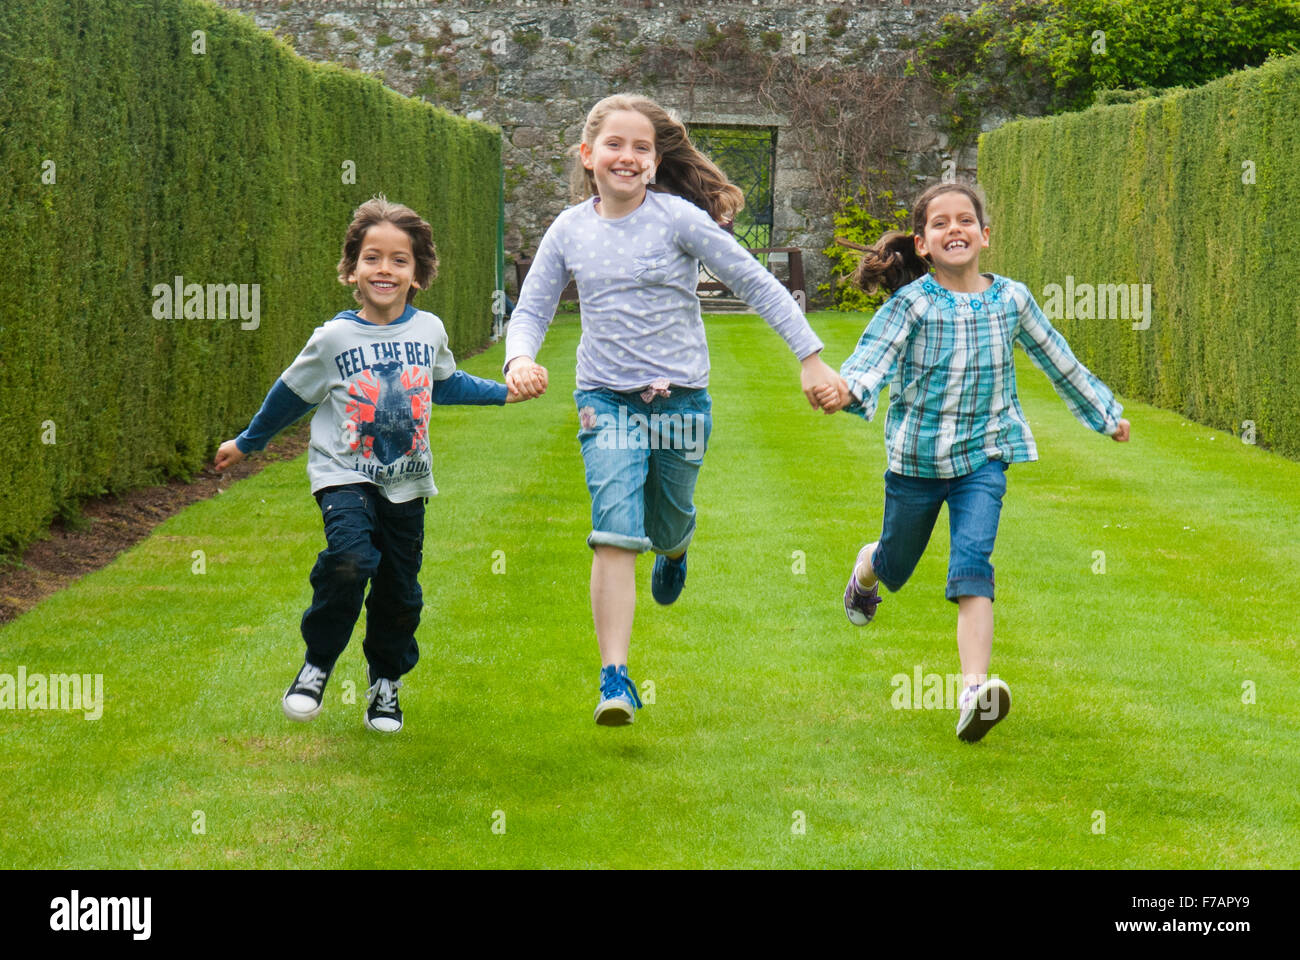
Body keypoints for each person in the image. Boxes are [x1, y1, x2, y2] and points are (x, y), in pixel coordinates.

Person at [503, 93, 847, 726]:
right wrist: (518, 358)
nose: (627, 157)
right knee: (614, 530)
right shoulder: (568, 229)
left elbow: (755, 281)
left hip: (682, 403)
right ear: (588, 156)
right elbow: (531, 308)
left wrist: (810, 356)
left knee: (667, 522)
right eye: (614, 145)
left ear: (656, 163)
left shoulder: (679, 220)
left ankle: (677, 550)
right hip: (604, 401)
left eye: (641, 148)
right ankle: (615, 677)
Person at [214, 196, 546, 734]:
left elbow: (446, 384)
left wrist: (503, 393)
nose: (384, 269)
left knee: (400, 592)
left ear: (418, 273)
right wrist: (248, 442)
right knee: (350, 558)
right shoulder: (333, 339)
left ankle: (384, 684)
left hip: (407, 482)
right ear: (351, 269)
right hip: (343, 473)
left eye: (398, 260)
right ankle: (317, 664)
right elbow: (290, 396)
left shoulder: (429, 331)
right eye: (372, 258)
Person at [835, 182, 1130, 742]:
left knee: (973, 564)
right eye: (941, 224)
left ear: (985, 235)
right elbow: (872, 360)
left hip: (984, 458)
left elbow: (1057, 358)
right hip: (917, 462)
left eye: (965, 220)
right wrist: (849, 391)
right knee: (896, 564)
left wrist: (1104, 413)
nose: (955, 230)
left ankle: (973, 692)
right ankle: (866, 569)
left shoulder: (1011, 299)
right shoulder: (912, 304)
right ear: (921, 244)